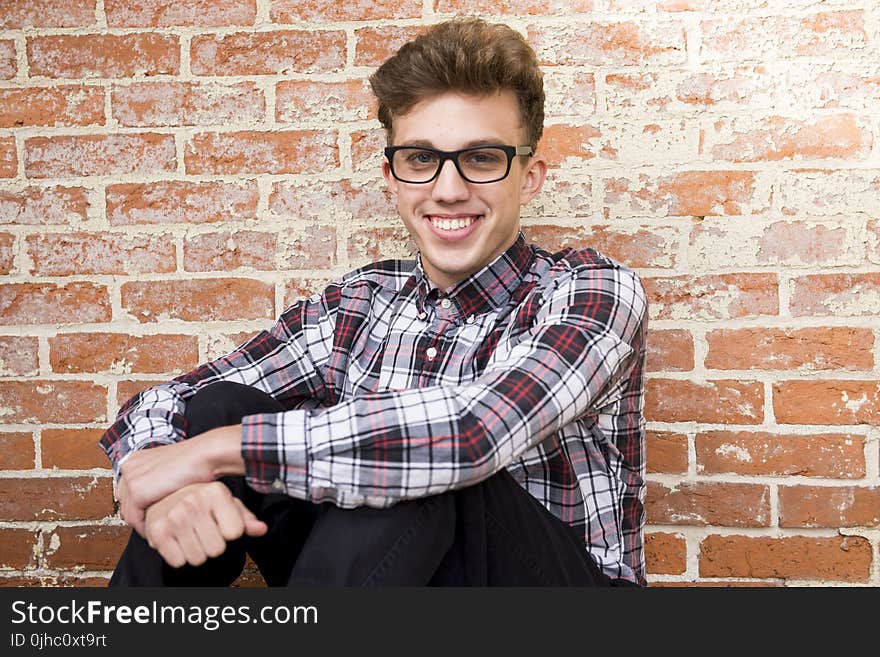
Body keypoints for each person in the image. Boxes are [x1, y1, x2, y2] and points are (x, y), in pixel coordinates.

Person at [100, 17, 648, 587]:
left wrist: (213, 454)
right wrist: (163, 478)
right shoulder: (356, 304)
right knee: (217, 409)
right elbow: (178, 398)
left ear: (529, 176)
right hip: (385, 582)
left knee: (422, 465)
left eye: (482, 158)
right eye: (420, 159)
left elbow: (470, 432)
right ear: (392, 177)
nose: (449, 189)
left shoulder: (591, 290)